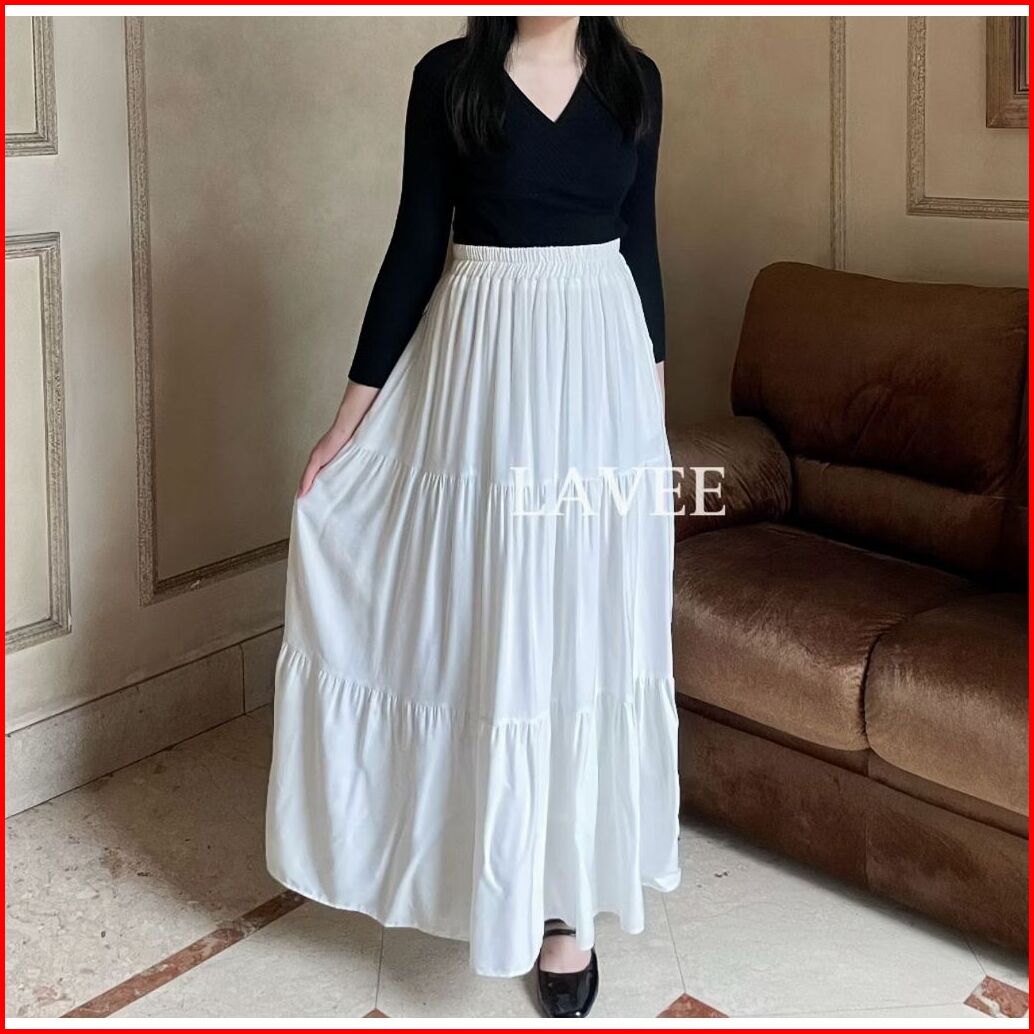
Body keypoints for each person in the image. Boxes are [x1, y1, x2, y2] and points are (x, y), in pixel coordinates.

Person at [265, 15, 681, 1019]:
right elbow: (416, 244)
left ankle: (566, 906)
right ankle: (485, 866)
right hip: (482, 381)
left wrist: (651, 425)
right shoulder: (448, 76)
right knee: (492, 623)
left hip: (600, 383)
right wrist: (345, 424)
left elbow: (641, 245)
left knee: (580, 633)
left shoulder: (636, 81)